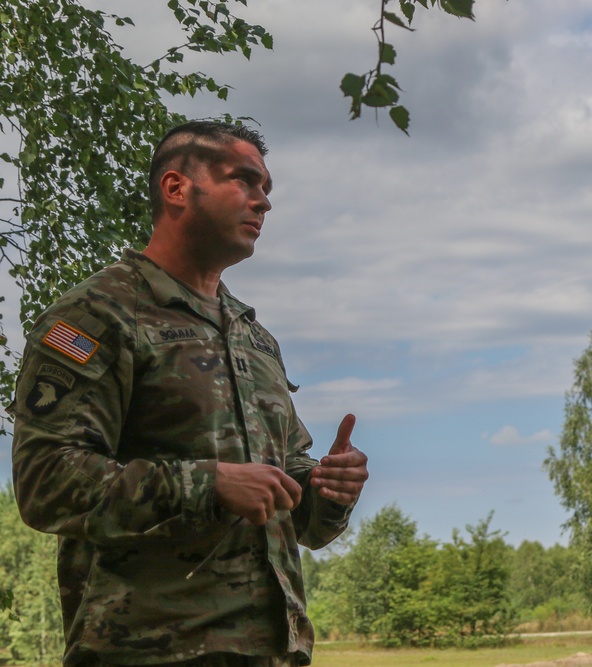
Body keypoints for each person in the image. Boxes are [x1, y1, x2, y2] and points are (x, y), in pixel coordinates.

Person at [8, 121, 369, 666]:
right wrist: (208, 483)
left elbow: (300, 523)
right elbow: (45, 482)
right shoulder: (98, 314)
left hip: (274, 650)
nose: (263, 202)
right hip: (149, 651)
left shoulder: (255, 337)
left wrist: (328, 490)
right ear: (176, 189)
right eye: (244, 180)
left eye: (267, 188)